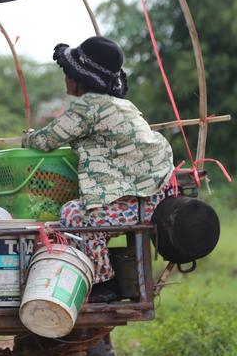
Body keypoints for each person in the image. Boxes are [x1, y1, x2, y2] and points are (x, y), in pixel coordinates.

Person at [21, 36, 174, 300]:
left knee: (74, 215)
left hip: (141, 203)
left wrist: (27, 137)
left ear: (80, 78)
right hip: (154, 194)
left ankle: (104, 285)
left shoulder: (88, 105)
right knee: (76, 212)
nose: (66, 78)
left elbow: (45, 141)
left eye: (68, 73)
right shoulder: (121, 104)